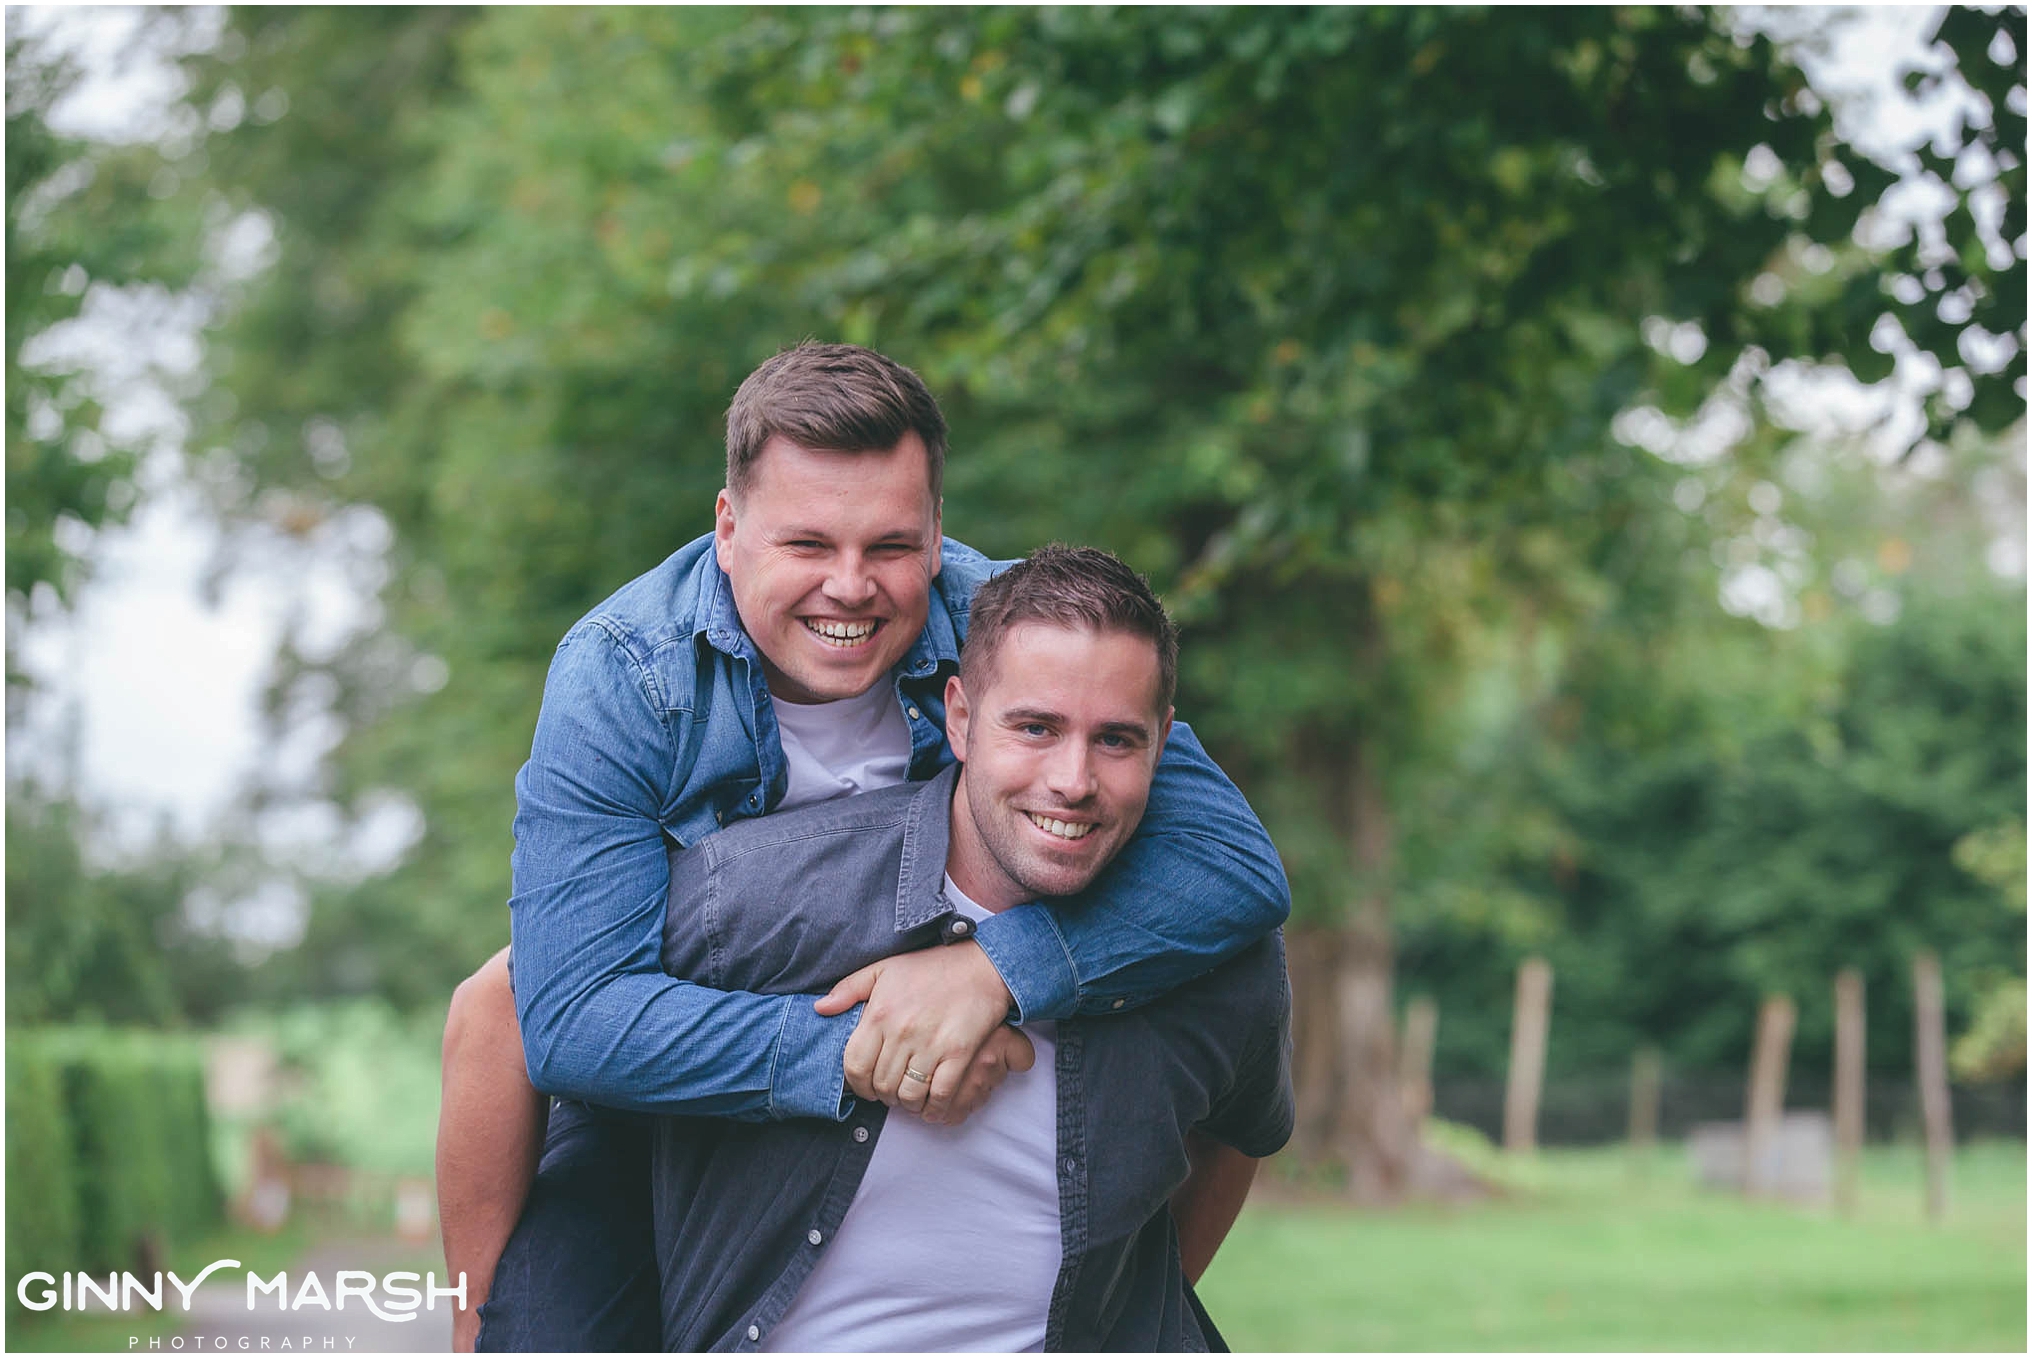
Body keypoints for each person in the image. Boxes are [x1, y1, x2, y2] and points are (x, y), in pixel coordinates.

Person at [436, 343, 1291, 1350]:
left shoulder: (1010, 635)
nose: (851, 586)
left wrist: (990, 972)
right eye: (806, 543)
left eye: (890, 545)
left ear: (937, 536)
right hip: (675, 1068)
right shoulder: (626, 673)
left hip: (946, 1040)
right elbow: (573, 1017)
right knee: (504, 1040)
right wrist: (856, 1050)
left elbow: (1234, 862)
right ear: (727, 528)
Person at [643, 544, 1292, 1351]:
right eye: (1035, 728)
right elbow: (522, 1014)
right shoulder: (751, 898)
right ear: (958, 716)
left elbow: (1238, 1136)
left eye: (1117, 741)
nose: (1074, 779)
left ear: (1164, 741)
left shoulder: (1219, 948)